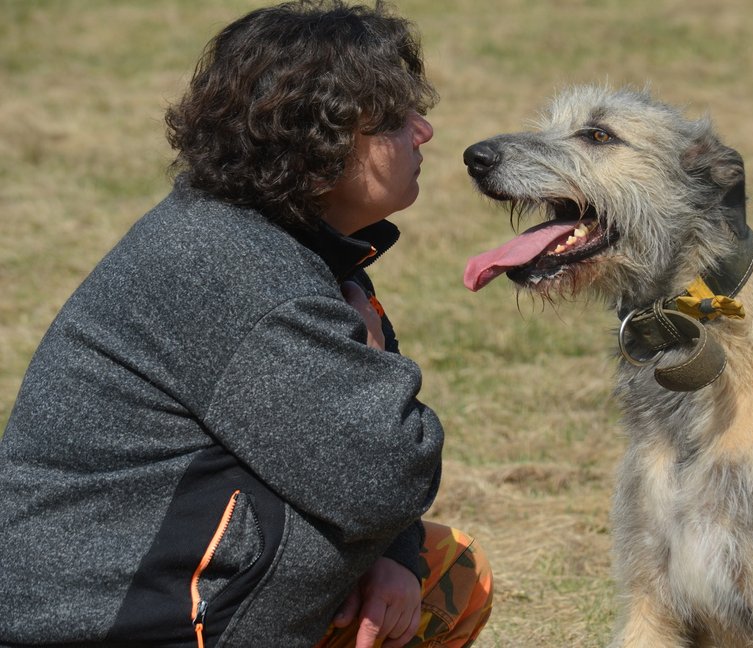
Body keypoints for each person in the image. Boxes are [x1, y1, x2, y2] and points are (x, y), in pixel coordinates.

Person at [0, 2, 492, 647]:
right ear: (319, 142)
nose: (424, 131)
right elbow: (388, 475)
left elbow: (369, 480)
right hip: (129, 625)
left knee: (447, 573)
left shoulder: (277, 240)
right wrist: (380, 356)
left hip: (202, 599)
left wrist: (392, 557)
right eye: (395, 121)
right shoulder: (243, 274)